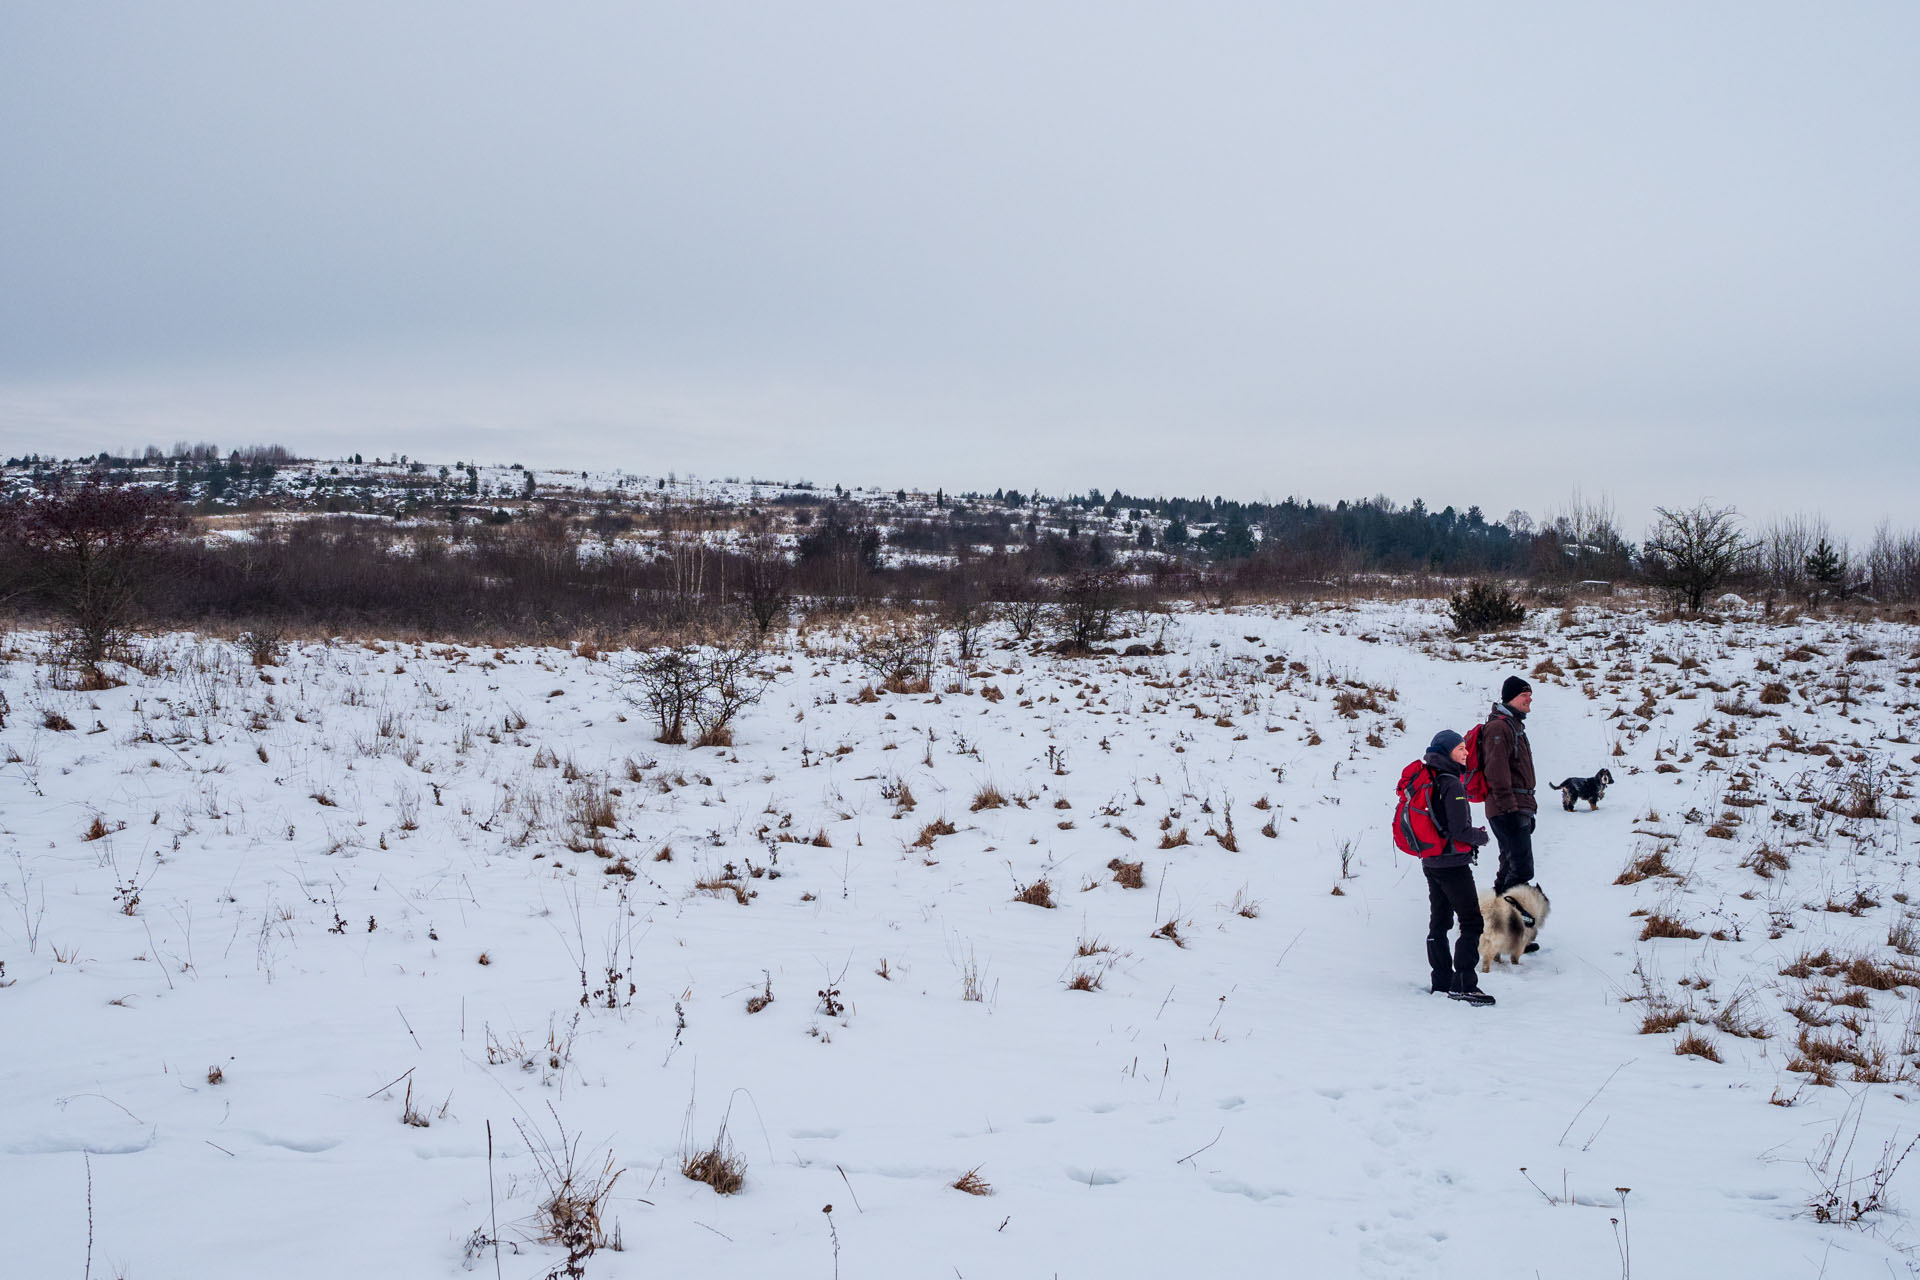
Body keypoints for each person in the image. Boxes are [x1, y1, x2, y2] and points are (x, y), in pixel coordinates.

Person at [1422, 729, 1495, 1006]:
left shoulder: (1432, 778)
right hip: (1452, 863)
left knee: (1439, 922)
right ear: (1446, 752)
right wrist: (1481, 836)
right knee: (1471, 921)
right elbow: (1459, 830)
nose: (1466, 753)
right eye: (1460, 749)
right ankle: (1464, 983)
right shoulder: (1451, 783)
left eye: (1466, 748)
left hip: (1431, 861)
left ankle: (1441, 981)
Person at [1481, 676, 1538, 899]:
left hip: (1515, 806)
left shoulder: (1513, 726)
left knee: (1510, 864)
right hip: (1507, 807)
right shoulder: (1499, 727)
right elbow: (1496, 771)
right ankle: (1504, 922)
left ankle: (1494, 921)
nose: (1530, 699)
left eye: (1530, 694)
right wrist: (1510, 809)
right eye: (1524, 695)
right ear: (1511, 698)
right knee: (1522, 868)